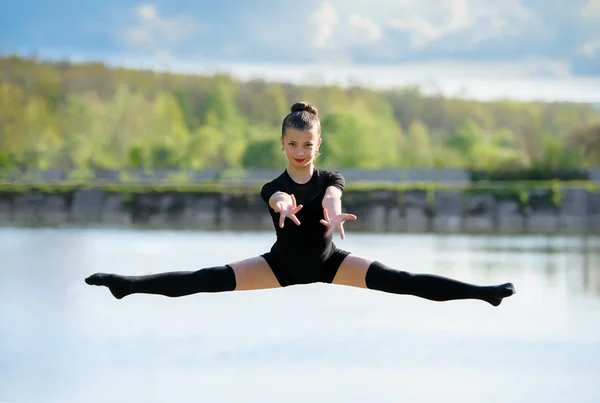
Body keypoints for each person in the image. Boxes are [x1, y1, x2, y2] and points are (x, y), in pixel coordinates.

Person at [85, 102, 516, 306]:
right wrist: (283, 205)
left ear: (318, 143)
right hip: (280, 266)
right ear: (282, 143)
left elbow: (332, 195)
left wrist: (331, 210)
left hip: (330, 262)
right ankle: (128, 284)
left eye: (307, 144)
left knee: (403, 280)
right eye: (292, 143)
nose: (299, 150)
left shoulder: (330, 179)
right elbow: (276, 197)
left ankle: (484, 294)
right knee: (203, 279)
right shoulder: (273, 185)